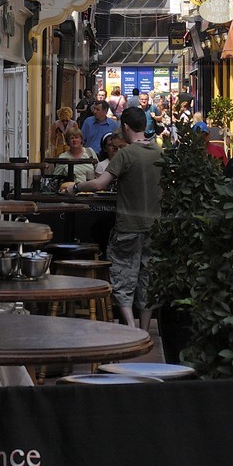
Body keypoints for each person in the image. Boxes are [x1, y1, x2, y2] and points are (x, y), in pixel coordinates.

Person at [61, 106, 163, 327]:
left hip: (128, 225)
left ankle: (131, 326)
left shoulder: (126, 153)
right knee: (148, 280)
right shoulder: (158, 152)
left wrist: (76, 187)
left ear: (125, 127)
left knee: (123, 277)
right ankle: (144, 328)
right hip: (155, 226)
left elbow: (99, 184)